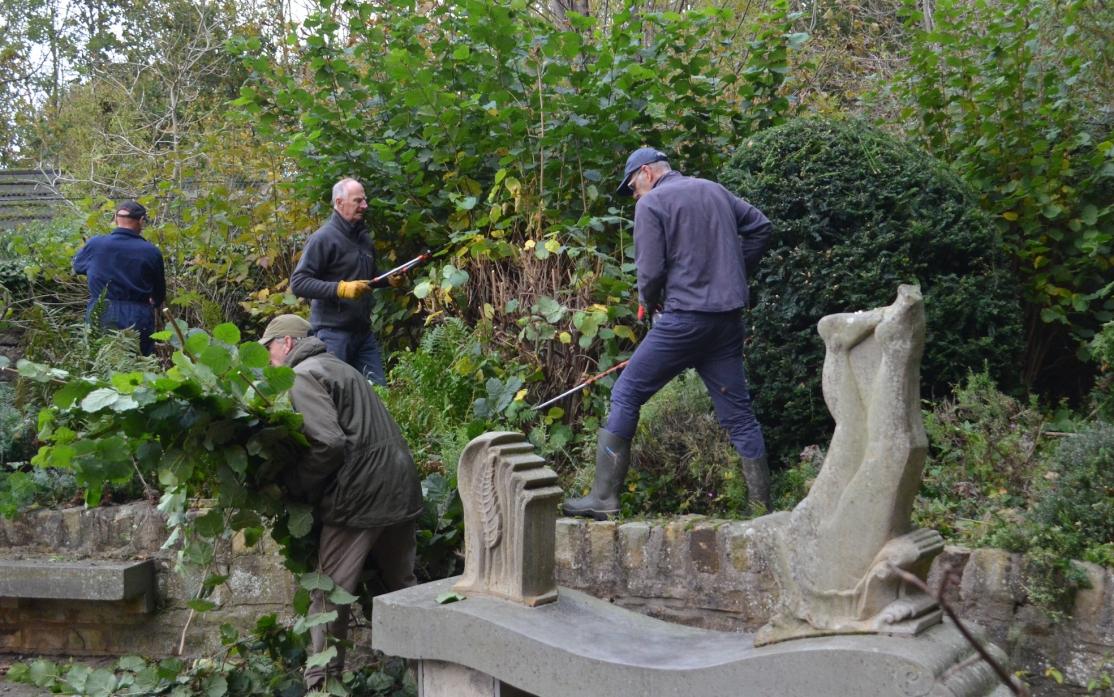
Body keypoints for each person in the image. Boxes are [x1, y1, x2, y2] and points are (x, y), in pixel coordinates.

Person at [563, 147, 774, 519]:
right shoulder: (713, 190)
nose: (634, 196)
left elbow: (651, 270)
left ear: (646, 173)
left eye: (631, 188)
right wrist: (733, 272)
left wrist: (648, 302)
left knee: (627, 392)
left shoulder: (652, 204)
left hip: (683, 321)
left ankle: (604, 498)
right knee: (739, 416)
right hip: (726, 321)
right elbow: (760, 227)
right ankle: (761, 511)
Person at [258, 314, 424, 688]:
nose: (269, 360)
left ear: (286, 344)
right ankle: (435, 675)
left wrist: (297, 485)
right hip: (400, 482)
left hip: (361, 496)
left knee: (328, 596)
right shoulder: (338, 366)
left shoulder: (302, 375)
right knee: (405, 588)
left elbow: (328, 443)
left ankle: (320, 685)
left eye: (269, 349)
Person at [290, 178, 392, 385]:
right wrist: (341, 289)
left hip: (363, 333)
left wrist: (388, 280)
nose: (364, 206)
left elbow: (369, 278)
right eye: (358, 201)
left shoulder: (363, 239)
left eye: (364, 200)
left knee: (379, 394)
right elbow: (298, 283)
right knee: (335, 395)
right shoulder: (323, 238)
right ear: (339, 202)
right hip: (332, 335)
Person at [72, 200, 165, 356]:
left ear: (115, 218)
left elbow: (78, 267)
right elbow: (159, 291)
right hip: (137, 314)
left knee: (99, 362)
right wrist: (154, 301)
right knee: (137, 363)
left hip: (100, 310)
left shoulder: (96, 244)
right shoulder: (151, 252)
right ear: (141, 220)